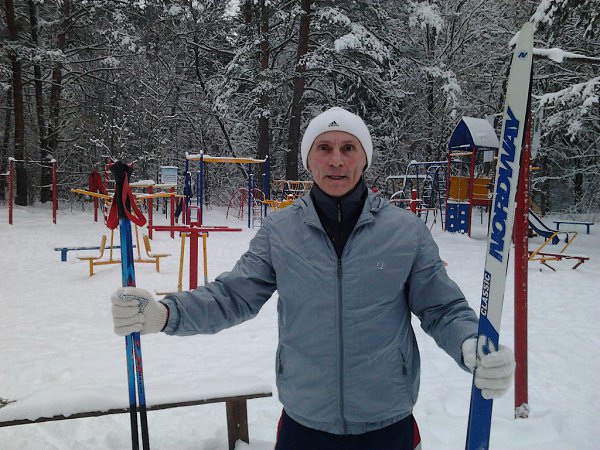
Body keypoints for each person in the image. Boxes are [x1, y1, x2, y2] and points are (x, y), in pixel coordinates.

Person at [112, 107, 515, 449]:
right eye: (324, 148)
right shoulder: (281, 231)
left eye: (348, 148)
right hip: (304, 424)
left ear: (364, 158)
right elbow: (234, 295)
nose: (336, 160)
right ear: (309, 159)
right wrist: (166, 314)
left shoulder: (405, 232)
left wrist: (469, 341)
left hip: (387, 423)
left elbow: (442, 308)